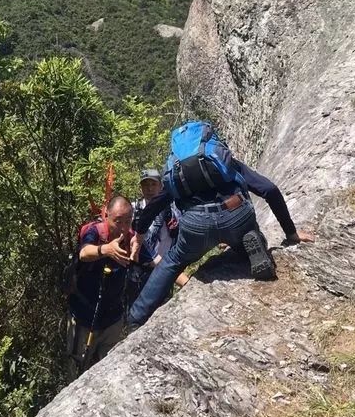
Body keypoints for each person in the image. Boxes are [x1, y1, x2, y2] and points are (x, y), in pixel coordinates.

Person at [127, 122, 277, 329]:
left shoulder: (178, 175)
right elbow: (269, 189)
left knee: (173, 261)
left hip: (196, 226)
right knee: (249, 234)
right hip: (235, 216)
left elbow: (152, 208)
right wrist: (292, 233)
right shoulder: (225, 162)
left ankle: (137, 317)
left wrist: (139, 235)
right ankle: (250, 247)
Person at [66, 194, 153, 377]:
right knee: (78, 370)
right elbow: (84, 252)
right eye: (117, 221)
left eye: (128, 221)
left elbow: (157, 262)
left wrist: (187, 280)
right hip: (84, 318)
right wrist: (105, 249)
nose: (122, 227)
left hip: (113, 319)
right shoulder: (95, 232)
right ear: (106, 216)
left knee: (109, 372)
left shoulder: (131, 239)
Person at [127, 170, 189, 311]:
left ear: (161, 186)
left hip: (165, 268)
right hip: (139, 271)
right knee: (137, 310)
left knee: (163, 308)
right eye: (145, 185)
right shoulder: (132, 210)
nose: (149, 189)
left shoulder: (173, 209)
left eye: (153, 184)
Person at [234, 161, 313, 246]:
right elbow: (270, 190)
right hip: (233, 220)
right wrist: (291, 231)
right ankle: (239, 237)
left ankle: (232, 238)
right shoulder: (225, 162)